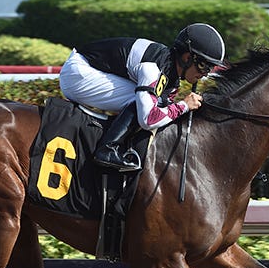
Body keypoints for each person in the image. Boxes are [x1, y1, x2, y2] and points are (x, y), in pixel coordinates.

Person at [59, 23, 227, 172]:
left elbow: (164, 109)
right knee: (141, 101)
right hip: (77, 74)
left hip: (88, 69)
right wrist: (183, 105)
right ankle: (107, 149)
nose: (205, 74)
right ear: (187, 58)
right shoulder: (153, 69)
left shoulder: (170, 73)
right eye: (204, 66)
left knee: (155, 101)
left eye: (210, 69)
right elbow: (148, 119)